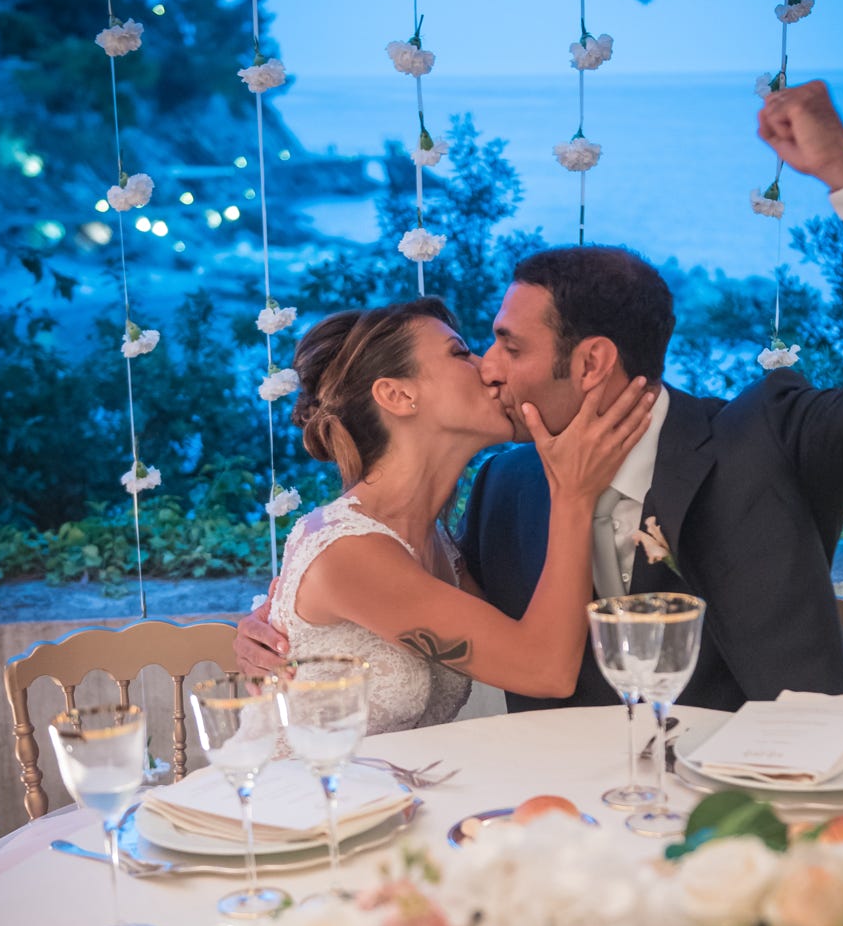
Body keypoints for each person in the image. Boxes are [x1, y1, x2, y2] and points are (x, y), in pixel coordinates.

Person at [237, 81, 843, 715]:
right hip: (587, 834)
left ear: (593, 363)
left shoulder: (769, 439)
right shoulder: (504, 491)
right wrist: (272, 636)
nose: (490, 371)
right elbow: (395, 605)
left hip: (806, 803)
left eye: (508, 346)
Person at [241, 296, 655, 731]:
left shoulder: (439, 543)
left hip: (389, 790)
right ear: (398, 395)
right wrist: (574, 494)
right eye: (461, 353)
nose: (491, 370)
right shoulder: (350, 551)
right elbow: (544, 670)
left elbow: (526, 634)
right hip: (302, 792)